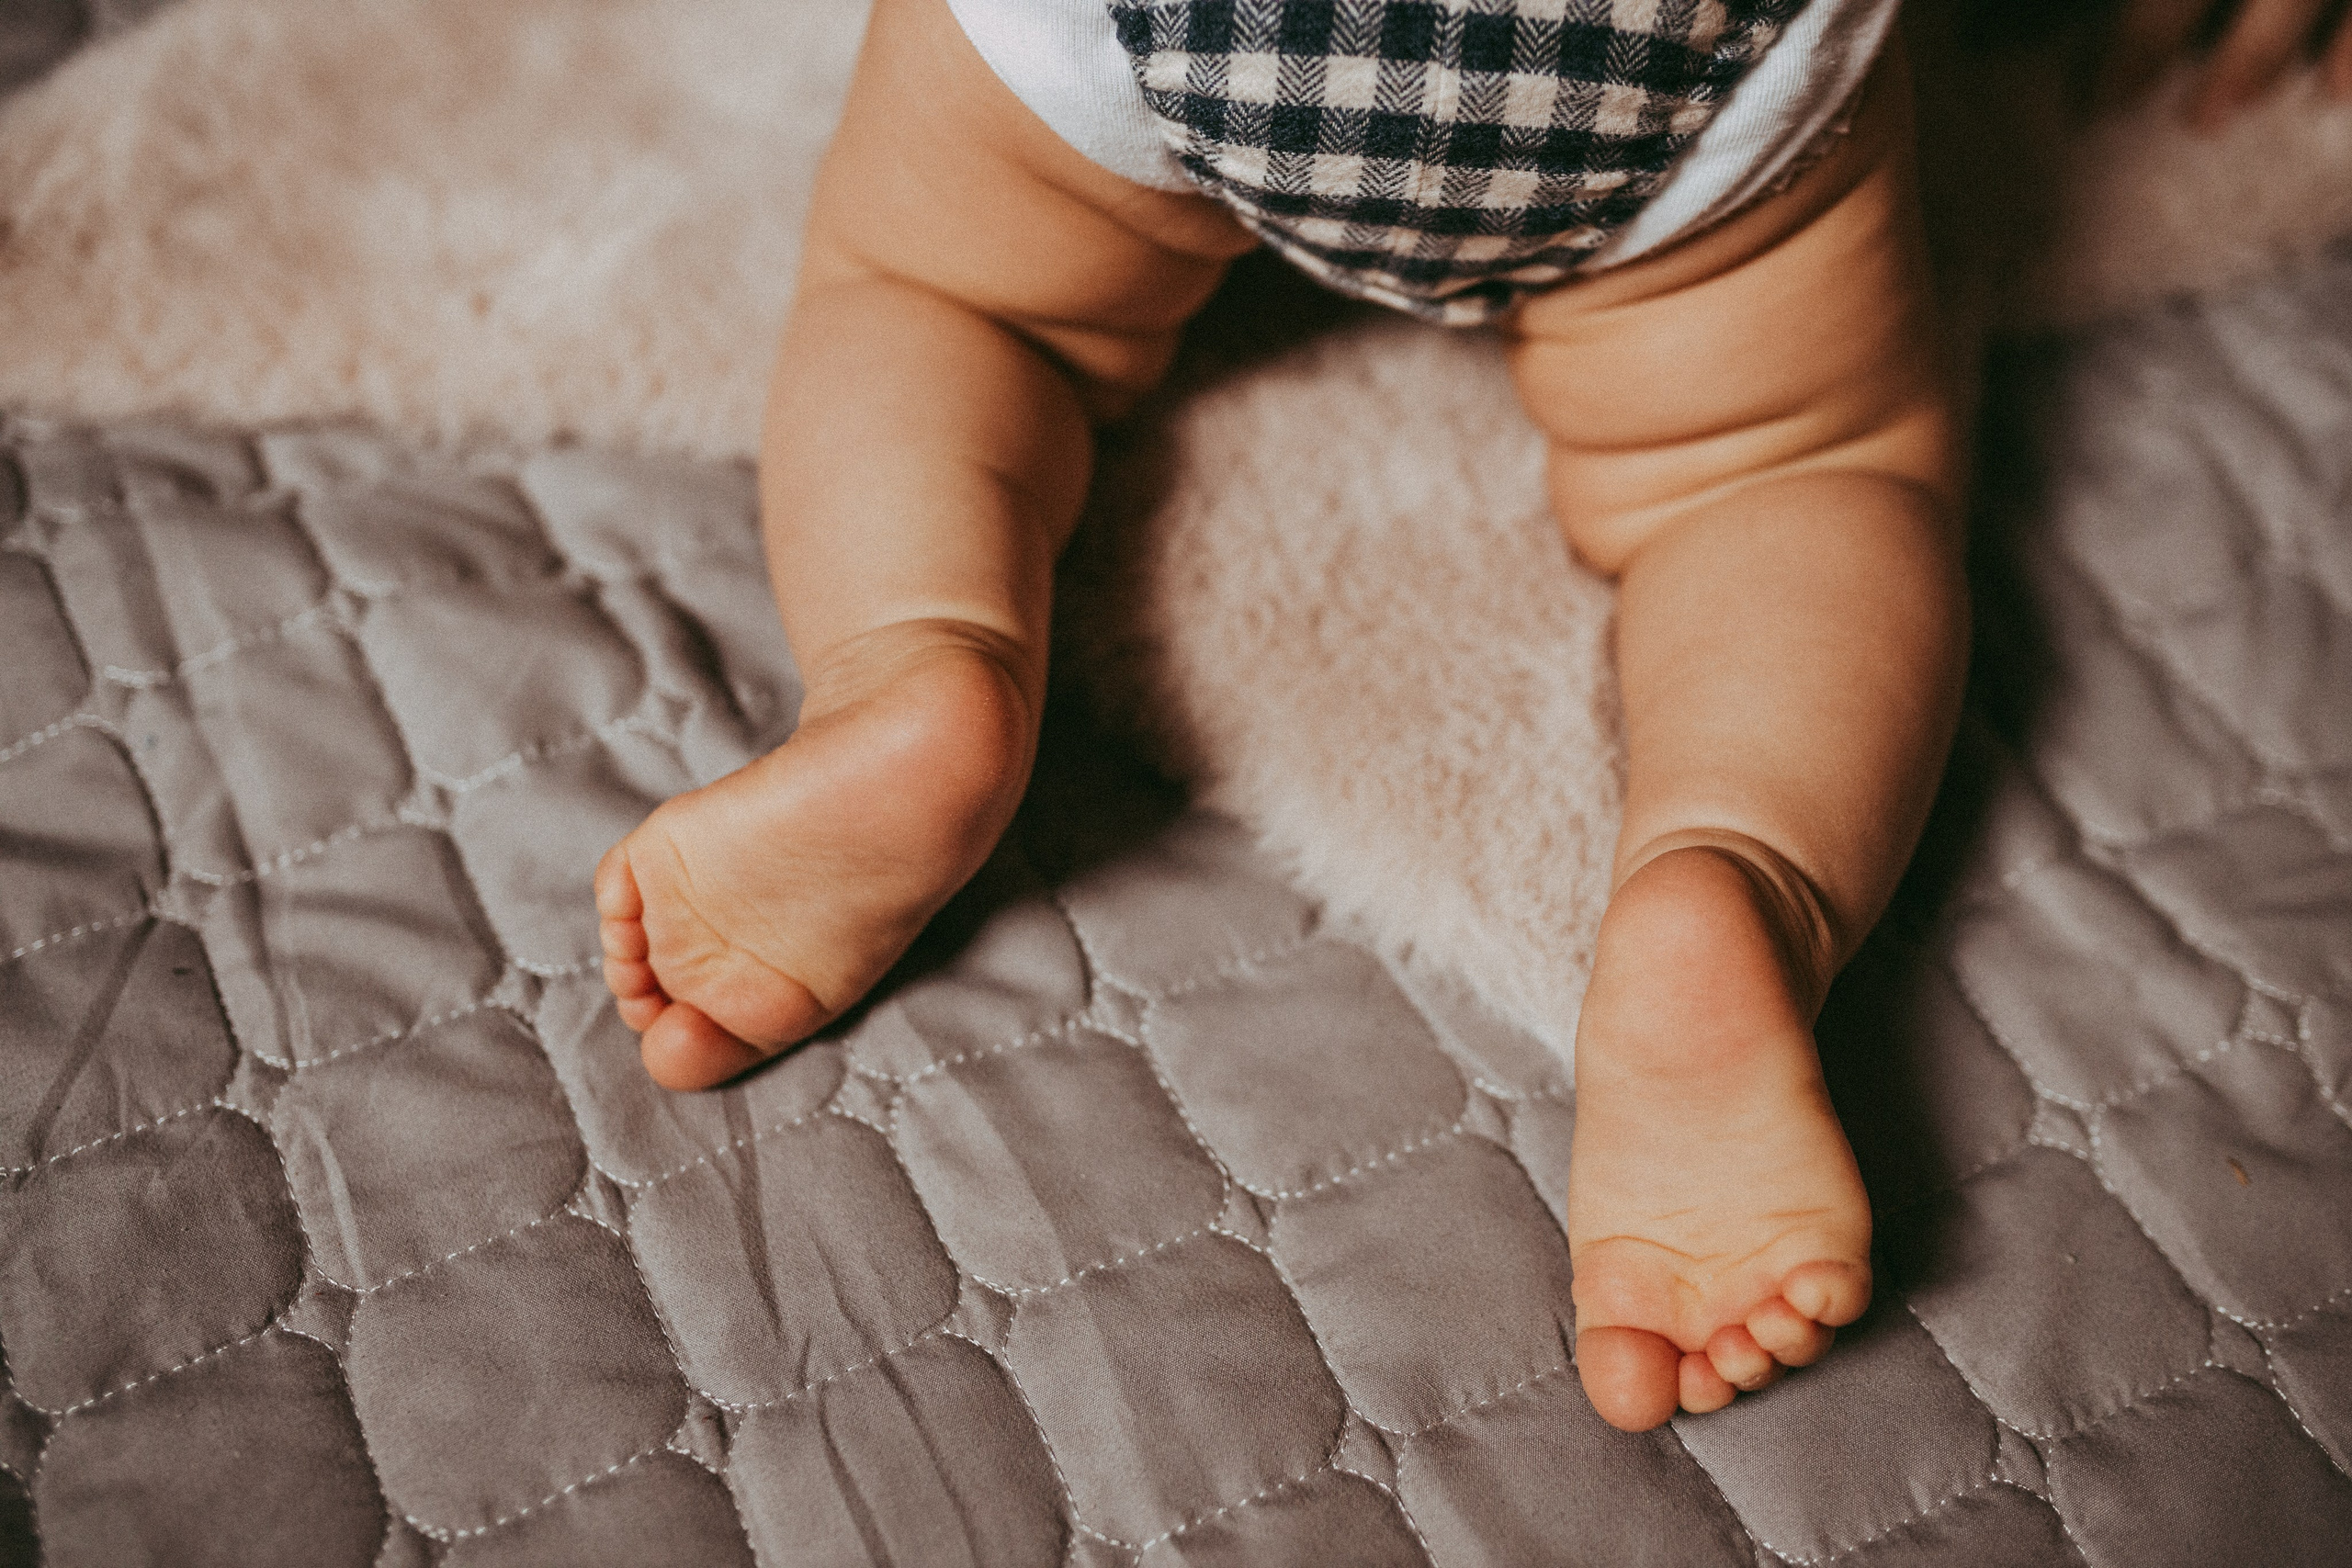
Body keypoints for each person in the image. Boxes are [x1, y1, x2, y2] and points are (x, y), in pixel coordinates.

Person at [594, 0, 2350, 1432]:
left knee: (954, 304)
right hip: (1662, 50)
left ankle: (926, 663)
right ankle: (1731, 869)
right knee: (1778, 479)